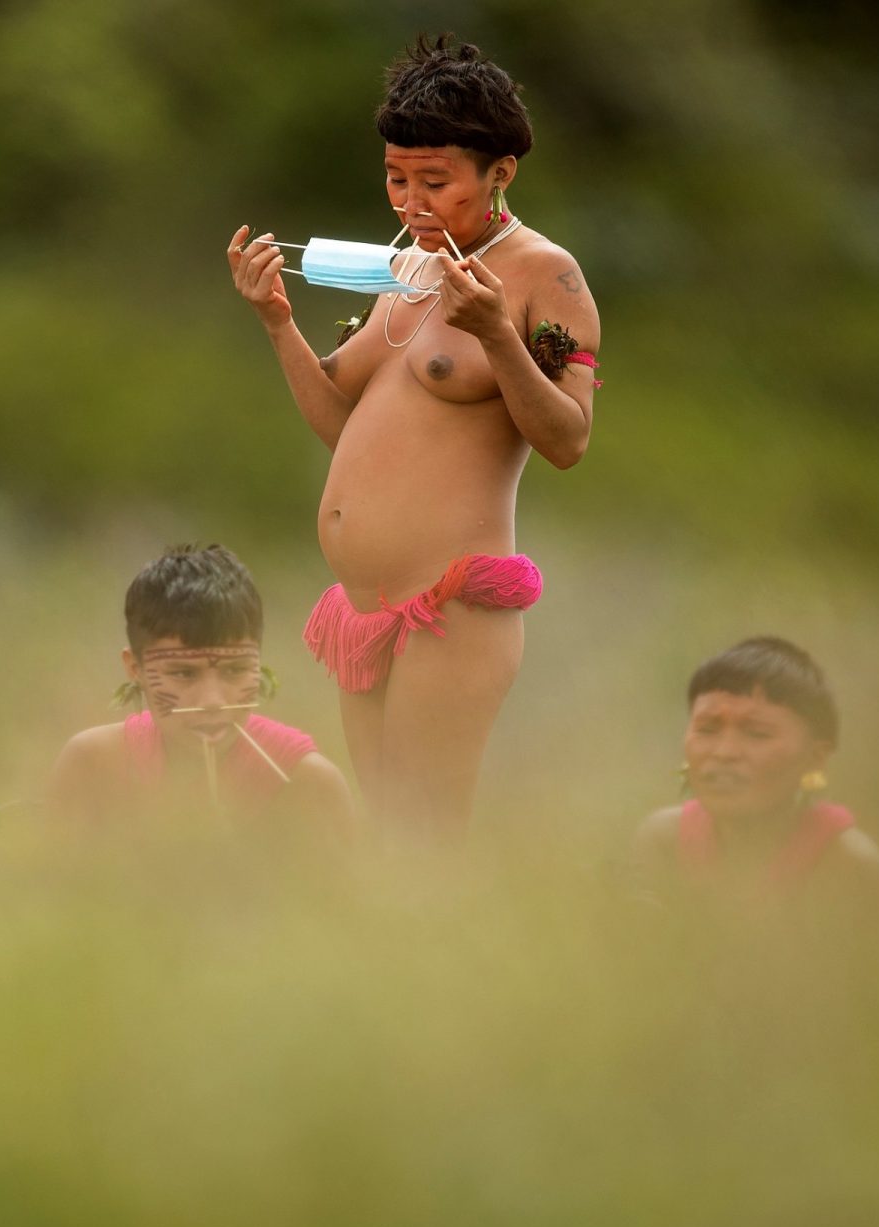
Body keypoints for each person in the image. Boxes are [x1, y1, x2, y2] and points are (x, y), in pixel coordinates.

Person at [227, 35, 600, 847]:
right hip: (366, 608)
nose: (411, 203)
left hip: (453, 605)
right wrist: (277, 323)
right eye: (397, 179)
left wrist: (499, 337)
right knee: (386, 834)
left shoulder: (546, 275)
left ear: (499, 171)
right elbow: (340, 422)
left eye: (437, 182)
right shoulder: (411, 271)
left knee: (425, 834)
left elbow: (568, 439)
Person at [47, 544, 354, 846]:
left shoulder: (309, 784)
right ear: (134, 668)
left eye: (235, 670)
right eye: (183, 673)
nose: (212, 700)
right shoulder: (93, 766)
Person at [630, 638, 879, 919]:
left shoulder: (847, 864)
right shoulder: (664, 842)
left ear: (815, 757)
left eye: (757, 734)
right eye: (707, 729)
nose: (725, 752)